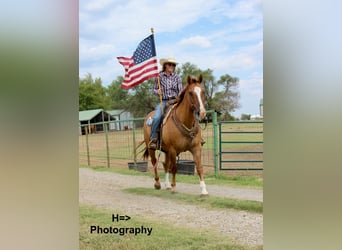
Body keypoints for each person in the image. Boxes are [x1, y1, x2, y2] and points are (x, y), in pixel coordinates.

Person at [149, 56, 183, 150]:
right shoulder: (159, 77)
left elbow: (180, 90)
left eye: (173, 65)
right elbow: (154, 89)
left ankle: (197, 136)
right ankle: (153, 138)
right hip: (163, 101)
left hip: (175, 100)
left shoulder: (177, 77)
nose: (172, 66)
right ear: (165, 65)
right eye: (170, 64)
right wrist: (157, 92)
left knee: (188, 111)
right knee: (156, 117)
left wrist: (178, 98)